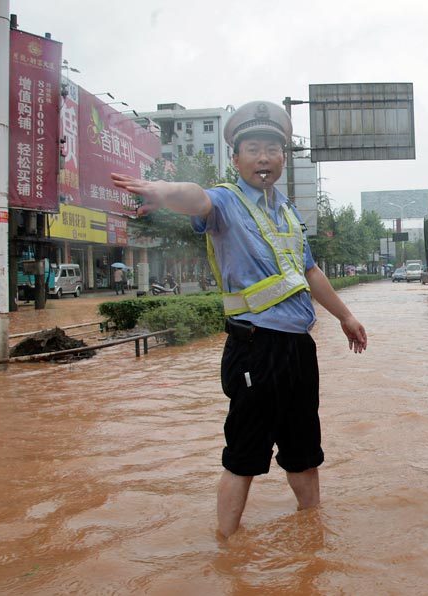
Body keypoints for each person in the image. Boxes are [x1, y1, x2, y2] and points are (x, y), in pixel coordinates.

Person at [110, 100, 368, 538]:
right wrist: (163, 190)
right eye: (252, 148)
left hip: (298, 349)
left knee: (304, 450)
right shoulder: (226, 202)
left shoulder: (287, 213)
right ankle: (226, 548)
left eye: (272, 149)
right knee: (244, 454)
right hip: (254, 348)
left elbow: (309, 271)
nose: (263, 158)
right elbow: (197, 197)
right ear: (235, 158)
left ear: (283, 158)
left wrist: (345, 315)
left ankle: (312, 539)